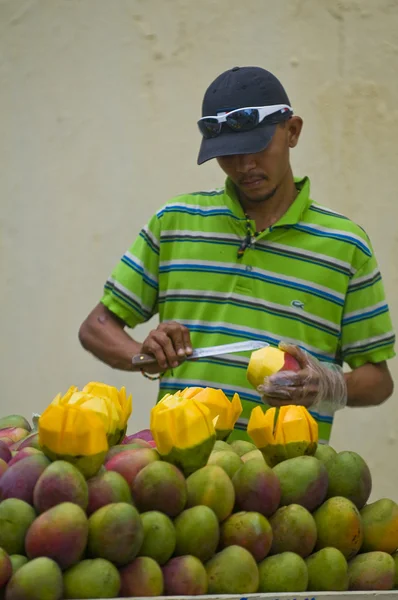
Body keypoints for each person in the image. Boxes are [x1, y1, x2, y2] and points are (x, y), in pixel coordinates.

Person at [79, 66, 395, 442]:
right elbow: (96, 327)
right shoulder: (176, 222)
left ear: (292, 131)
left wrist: (328, 386)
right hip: (179, 474)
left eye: (258, 147)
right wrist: (143, 354)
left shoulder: (346, 245)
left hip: (290, 482)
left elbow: (378, 382)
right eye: (228, 154)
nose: (244, 167)